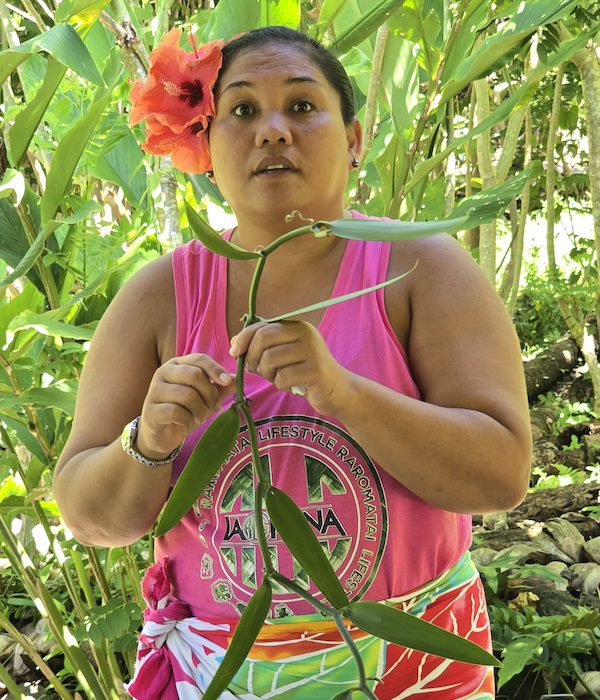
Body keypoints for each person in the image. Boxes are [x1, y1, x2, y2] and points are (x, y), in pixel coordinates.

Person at [53, 25, 531, 699]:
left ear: (356, 139)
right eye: (242, 110)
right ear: (205, 150)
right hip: (223, 672)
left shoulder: (420, 269)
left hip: (413, 665)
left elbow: (500, 476)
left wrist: (342, 393)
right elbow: (86, 515)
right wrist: (149, 442)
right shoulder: (158, 299)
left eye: (303, 106)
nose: (273, 129)